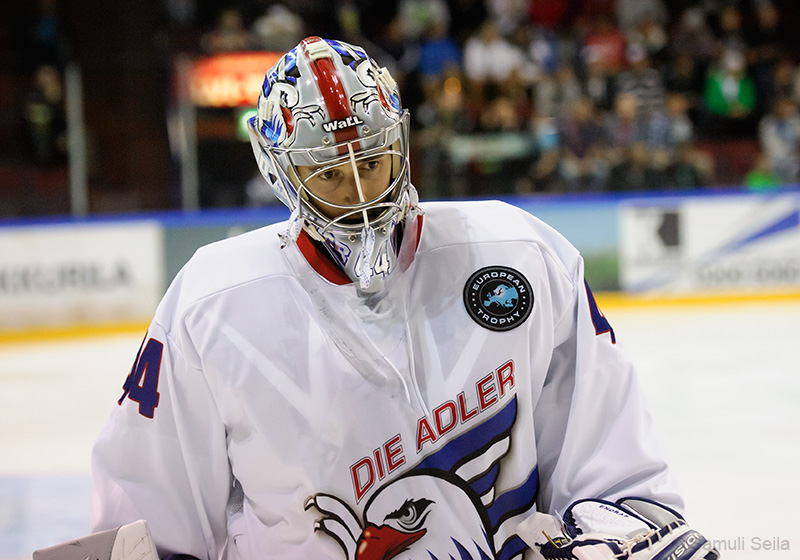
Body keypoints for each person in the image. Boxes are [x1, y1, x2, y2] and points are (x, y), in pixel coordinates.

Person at [88, 37, 719, 560]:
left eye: (373, 160)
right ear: (283, 173)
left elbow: (614, 468)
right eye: (330, 173)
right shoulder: (211, 304)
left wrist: (617, 535)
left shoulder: (522, 253)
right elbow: (150, 517)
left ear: (402, 144)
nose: (361, 192)